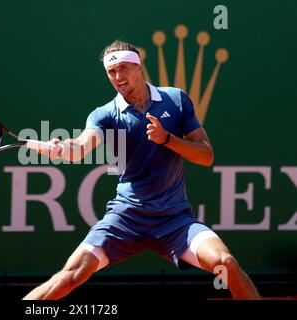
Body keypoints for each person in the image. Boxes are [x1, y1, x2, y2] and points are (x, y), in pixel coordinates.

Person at [23, 40, 261, 300]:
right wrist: (60, 148)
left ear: (139, 67)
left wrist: (167, 139)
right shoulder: (105, 115)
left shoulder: (176, 100)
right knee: (71, 275)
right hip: (126, 218)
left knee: (225, 263)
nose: (117, 77)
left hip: (174, 219)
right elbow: (79, 147)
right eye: (111, 72)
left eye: (123, 68)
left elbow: (206, 155)